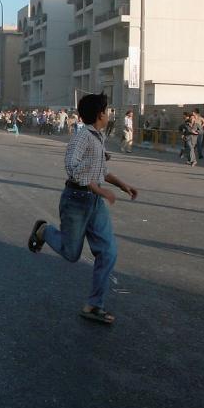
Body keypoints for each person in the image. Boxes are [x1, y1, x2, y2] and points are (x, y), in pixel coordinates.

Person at [28, 93, 138, 325]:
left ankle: (94, 305)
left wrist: (123, 186)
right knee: (71, 253)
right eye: (107, 111)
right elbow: (72, 168)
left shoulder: (98, 138)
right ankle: (44, 231)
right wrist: (100, 191)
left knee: (108, 252)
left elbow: (100, 171)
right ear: (100, 115)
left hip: (95, 204)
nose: (108, 115)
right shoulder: (82, 137)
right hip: (76, 201)